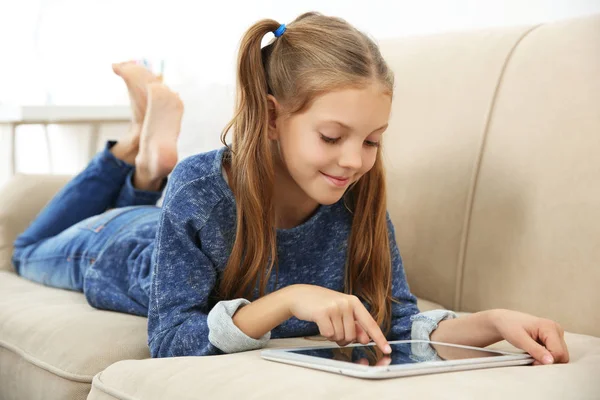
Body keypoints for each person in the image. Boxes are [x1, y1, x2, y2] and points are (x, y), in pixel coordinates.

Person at [12, 12, 569, 365]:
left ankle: (144, 163)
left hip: (160, 223)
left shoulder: (358, 198)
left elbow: (400, 325)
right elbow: (171, 339)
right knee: (25, 250)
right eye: (332, 136)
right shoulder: (204, 189)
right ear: (273, 117)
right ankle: (135, 151)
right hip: (120, 246)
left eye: (373, 141)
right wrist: (287, 301)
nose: (354, 161)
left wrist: (490, 324)